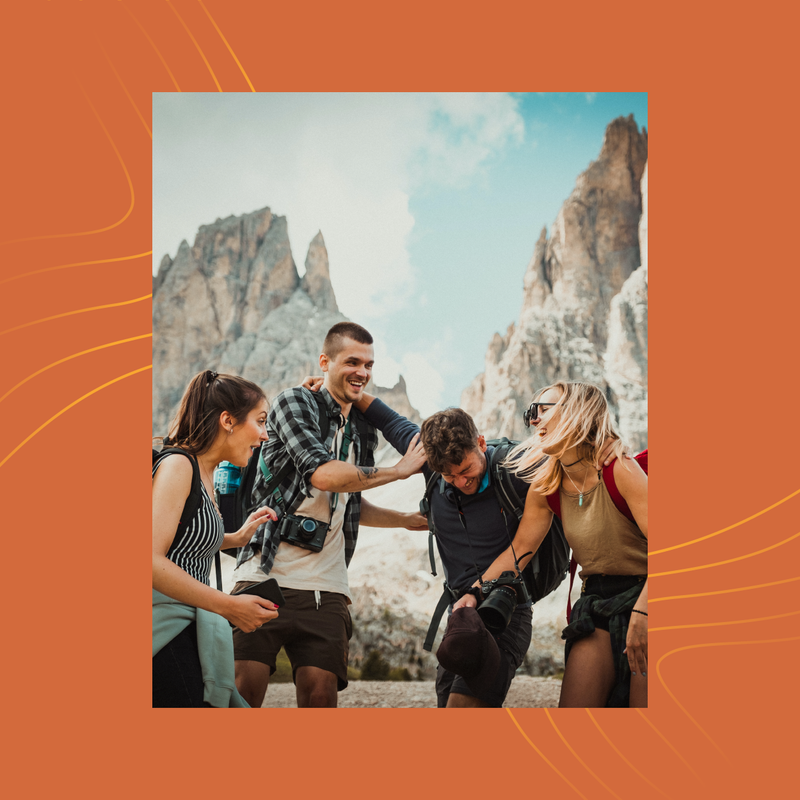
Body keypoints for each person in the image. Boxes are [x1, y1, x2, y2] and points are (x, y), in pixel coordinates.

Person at [232, 322, 428, 708]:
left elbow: (350, 501)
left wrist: (404, 519)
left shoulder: (363, 429)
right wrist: (398, 471)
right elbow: (322, 474)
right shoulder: (294, 402)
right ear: (325, 361)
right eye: (352, 361)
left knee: (321, 698)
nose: (363, 371)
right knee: (241, 694)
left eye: (369, 364)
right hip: (265, 573)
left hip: (328, 586)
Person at [353, 392, 549, 708]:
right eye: (449, 475)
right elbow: (388, 419)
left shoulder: (515, 471)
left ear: (481, 444)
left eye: (466, 469)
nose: (460, 482)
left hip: (505, 610)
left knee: (464, 706)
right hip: (461, 615)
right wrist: (336, 386)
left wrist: (475, 591)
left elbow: (523, 546)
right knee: (448, 706)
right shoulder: (432, 464)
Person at [496, 381, 648, 708]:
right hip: (596, 600)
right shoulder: (546, 486)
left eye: (541, 410)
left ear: (577, 412)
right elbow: (520, 549)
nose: (533, 420)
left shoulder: (620, 469)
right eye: (529, 414)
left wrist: (644, 611)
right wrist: (471, 593)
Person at [152, 370, 281, 708]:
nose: (265, 436)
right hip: (163, 629)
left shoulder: (205, 473)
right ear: (228, 420)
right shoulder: (179, 465)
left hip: (189, 624)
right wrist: (230, 607)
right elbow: (150, 560)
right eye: (260, 421)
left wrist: (235, 537)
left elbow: (181, 536)